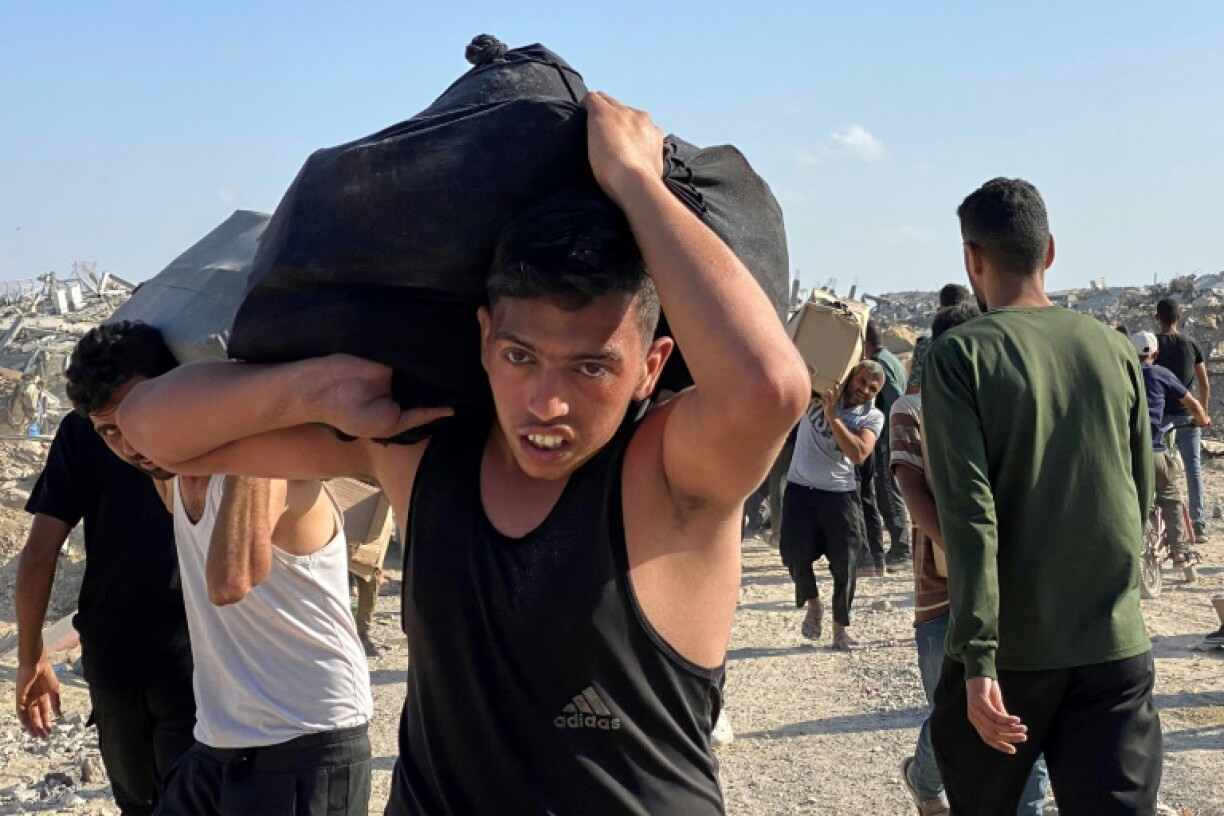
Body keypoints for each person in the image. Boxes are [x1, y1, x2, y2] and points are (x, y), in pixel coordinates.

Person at [115, 93, 810, 814]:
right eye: (520, 356)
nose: (547, 402)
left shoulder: (669, 478)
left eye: (591, 368)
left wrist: (634, 182)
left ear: (652, 365)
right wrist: (311, 388)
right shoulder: (416, 452)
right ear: (483, 339)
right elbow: (150, 426)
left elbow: (770, 387)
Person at [65, 322, 375, 816]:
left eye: (137, 419)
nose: (129, 444)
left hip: (307, 741)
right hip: (220, 744)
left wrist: (250, 414)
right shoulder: (170, 479)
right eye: (109, 432)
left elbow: (231, 580)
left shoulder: (269, 464)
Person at [924, 177, 1161, 815]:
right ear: (1049, 250)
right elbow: (1138, 493)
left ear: (972, 258)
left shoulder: (956, 358)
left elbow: (971, 518)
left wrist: (976, 659)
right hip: (1113, 644)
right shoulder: (1113, 349)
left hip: (1011, 654)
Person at [892, 302, 1049, 816]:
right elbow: (912, 491)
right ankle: (923, 775)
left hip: (1009, 594)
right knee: (954, 712)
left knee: (1020, 721)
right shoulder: (909, 410)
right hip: (943, 595)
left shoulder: (998, 403)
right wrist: (967, 559)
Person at [15, 408, 196, 816]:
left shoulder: (87, 424)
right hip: (193, 657)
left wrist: (31, 656)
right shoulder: (199, 406)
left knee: (136, 805)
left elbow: (40, 551)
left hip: (114, 656)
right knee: (195, 800)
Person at [781, 361, 884, 651]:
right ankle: (814, 605)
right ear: (851, 377)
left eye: (872, 388)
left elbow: (859, 453)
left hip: (839, 496)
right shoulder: (820, 393)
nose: (864, 390)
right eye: (861, 381)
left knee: (845, 565)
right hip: (800, 490)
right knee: (794, 555)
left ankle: (841, 629)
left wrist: (832, 417)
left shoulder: (872, 417)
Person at [1131, 330, 1210, 571]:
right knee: (1170, 496)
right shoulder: (1161, 373)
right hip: (1152, 450)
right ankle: (1180, 553)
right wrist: (1203, 419)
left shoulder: (1123, 375)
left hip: (1123, 452)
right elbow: (1193, 403)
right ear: (1155, 353)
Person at [1155, 298, 1211, 542]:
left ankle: (1164, 526)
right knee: (1193, 470)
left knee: (1161, 473)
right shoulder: (1190, 344)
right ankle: (1198, 525)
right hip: (1188, 415)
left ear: (1158, 318)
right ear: (1179, 317)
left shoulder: (1153, 346)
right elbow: (1204, 383)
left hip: (1160, 418)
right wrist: (1203, 414)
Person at [861, 320, 911, 569]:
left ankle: (901, 547)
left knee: (887, 491)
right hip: (892, 433)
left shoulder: (879, 364)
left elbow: (894, 396)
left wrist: (886, 424)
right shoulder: (890, 358)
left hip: (886, 436)